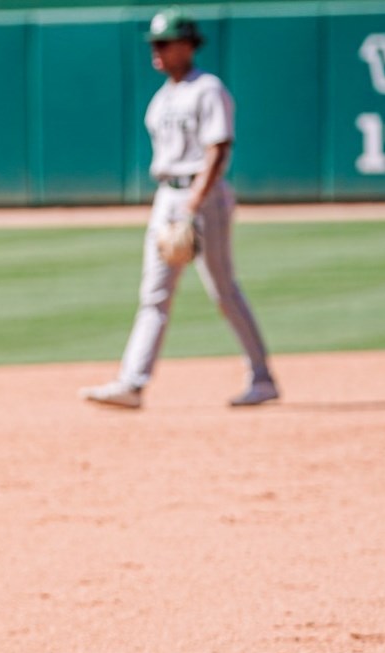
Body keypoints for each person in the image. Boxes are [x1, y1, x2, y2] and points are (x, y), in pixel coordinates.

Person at [81, 7, 278, 410]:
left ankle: (262, 377)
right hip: (167, 196)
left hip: (202, 197)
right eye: (154, 43)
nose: (156, 50)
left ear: (187, 45)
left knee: (223, 290)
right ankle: (132, 383)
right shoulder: (162, 97)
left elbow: (219, 148)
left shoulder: (208, 89)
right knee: (153, 293)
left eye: (164, 42)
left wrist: (192, 205)